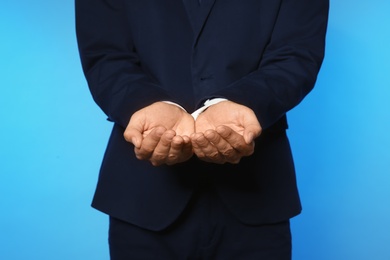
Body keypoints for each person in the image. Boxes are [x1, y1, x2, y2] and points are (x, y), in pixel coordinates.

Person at [75, 0, 329, 259]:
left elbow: (296, 56)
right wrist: (148, 106)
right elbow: (105, 55)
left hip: (258, 194)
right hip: (143, 197)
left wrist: (240, 103)